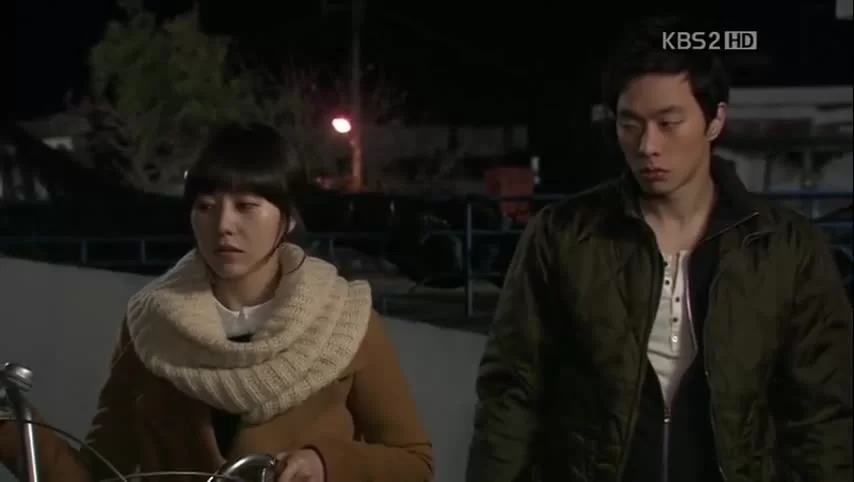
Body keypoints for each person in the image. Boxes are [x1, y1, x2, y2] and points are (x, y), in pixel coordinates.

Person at [466, 17, 853, 482]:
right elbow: (512, 391)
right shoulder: (563, 236)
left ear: (715, 120)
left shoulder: (785, 247)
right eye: (629, 124)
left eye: (669, 124)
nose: (648, 146)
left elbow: (820, 414)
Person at [0, 122, 434, 482]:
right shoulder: (151, 324)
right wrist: (10, 427)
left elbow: (414, 461)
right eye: (206, 206)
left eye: (246, 206)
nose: (223, 224)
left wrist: (326, 463)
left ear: (288, 217)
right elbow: (98, 473)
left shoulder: (343, 320)